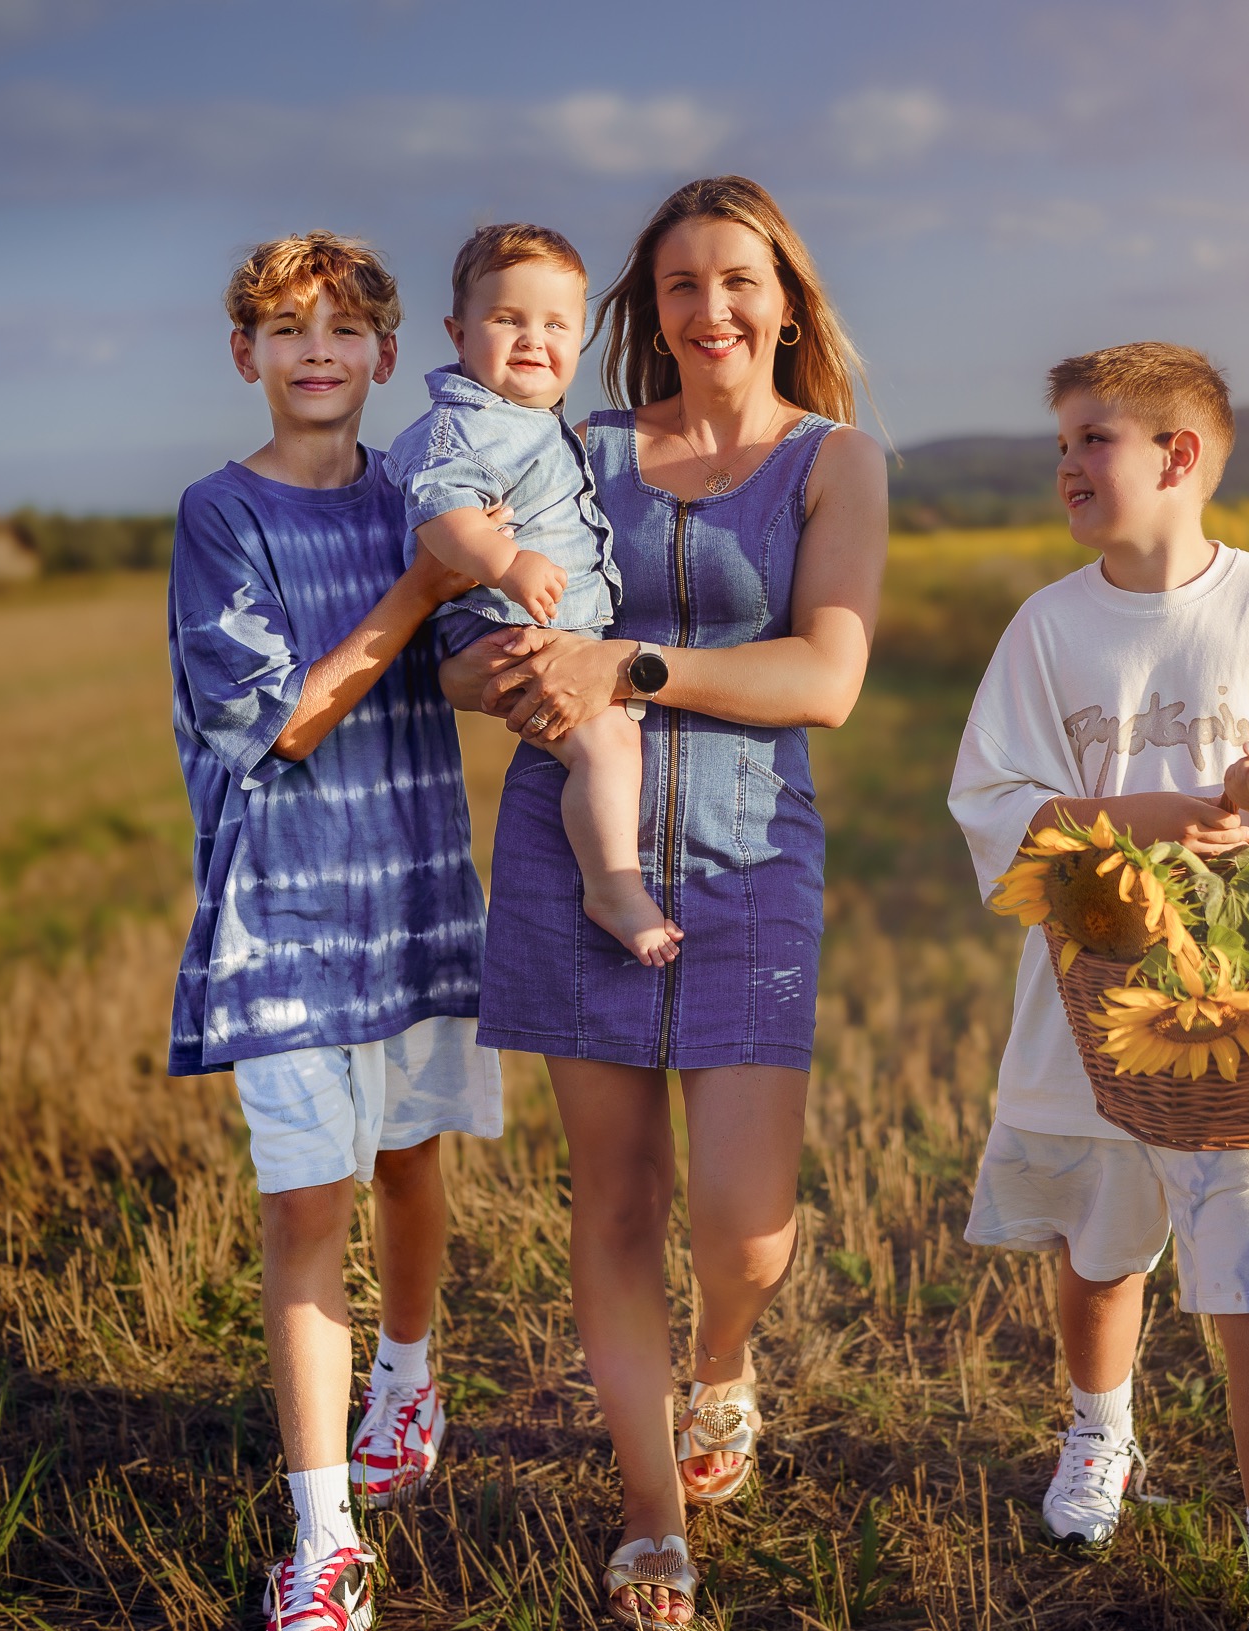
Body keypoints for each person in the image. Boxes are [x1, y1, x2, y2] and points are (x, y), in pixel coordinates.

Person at [439, 176, 887, 1627]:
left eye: (738, 281)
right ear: (651, 308)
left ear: (785, 301)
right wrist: (509, 670)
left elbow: (823, 676)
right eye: (682, 285)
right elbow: (462, 644)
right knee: (616, 1197)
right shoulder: (581, 446)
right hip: (575, 861)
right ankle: (648, 1513)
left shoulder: (832, 461)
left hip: (753, 861)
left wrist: (620, 663)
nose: (711, 310)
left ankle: (725, 1360)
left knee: (744, 1225)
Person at [947, 342, 1249, 1631]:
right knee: (1100, 1255)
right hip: (1096, 1007)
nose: (1066, 467)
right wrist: (1130, 812)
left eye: (1091, 440)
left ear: (1179, 456)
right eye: (1059, 445)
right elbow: (988, 804)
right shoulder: (1048, 627)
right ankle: (1099, 1432)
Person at [166, 231, 506, 1631]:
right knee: (306, 1205)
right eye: (284, 329)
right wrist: (427, 584)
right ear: (244, 355)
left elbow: (481, 668)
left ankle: (407, 1376)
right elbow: (281, 723)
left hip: (417, 892)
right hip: (288, 914)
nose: (316, 350)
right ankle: (326, 1538)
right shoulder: (218, 514)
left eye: (341, 329)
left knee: (412, 1163)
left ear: (382, 354)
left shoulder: (417, 499)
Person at [386, 224, 678, 969]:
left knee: (608, 744)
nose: (531, 338)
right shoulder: (465, 426)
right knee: (607, 746)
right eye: (506, 318)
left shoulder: (533, 424)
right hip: (504, 624)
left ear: (581, 340)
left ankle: (613, 879)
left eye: (555, 324)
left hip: (536, 629)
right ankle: (612, 886)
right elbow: (444, 515)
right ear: (457, 332)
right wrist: (506, 562)